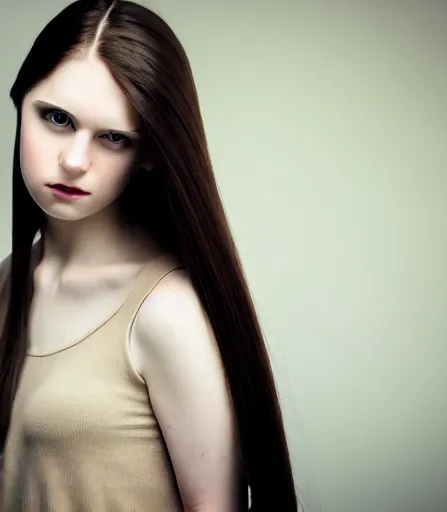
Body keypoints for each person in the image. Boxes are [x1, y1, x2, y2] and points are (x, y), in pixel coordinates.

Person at [0, 1, 298, 510]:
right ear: (20, 101)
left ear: (151, 155)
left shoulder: (166, 312)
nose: (74, 160)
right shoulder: (9, 280)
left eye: (113, 137)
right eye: (56, 118)